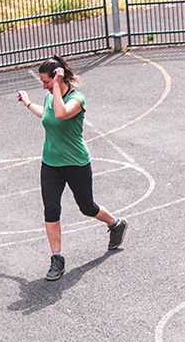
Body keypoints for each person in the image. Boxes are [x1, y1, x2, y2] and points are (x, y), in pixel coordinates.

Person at [15, 55, 128, 282]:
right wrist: (28, 103)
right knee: (51, 209)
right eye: (44, 83)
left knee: (87, 207)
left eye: (46, 81)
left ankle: (116, 224)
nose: (44, 86)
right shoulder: (50, 96)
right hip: (51, 164)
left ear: (58, 77)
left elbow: (60, 113)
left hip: (76, 163)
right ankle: (57, 258)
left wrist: (56, 86)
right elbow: (47, 114)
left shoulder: (77, 99)